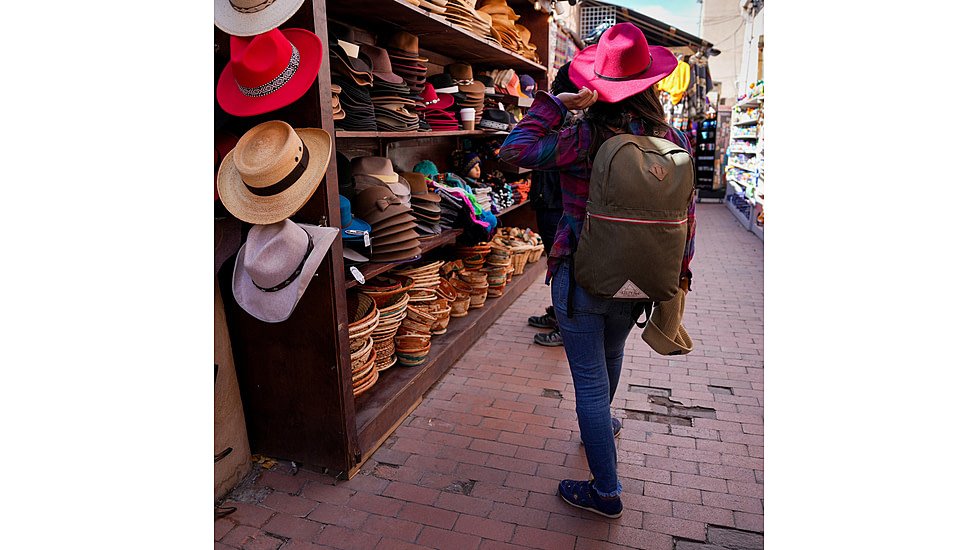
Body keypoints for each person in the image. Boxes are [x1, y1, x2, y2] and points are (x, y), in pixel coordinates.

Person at [499, 22, 695, 519]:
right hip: (642, 277)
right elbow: (685, 218)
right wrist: (679, 274)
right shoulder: (671, 140)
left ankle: (605, 491)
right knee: (611, 352)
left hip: (583, 272)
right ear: (649, 85)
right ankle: (603, 426)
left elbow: (513, 152)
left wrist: (556, 104)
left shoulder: (581, 136)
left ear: (597, 84)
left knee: (587, 383)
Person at [525, 62, 580, 347]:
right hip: (549, 198)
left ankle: (564, 322)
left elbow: (518, 148)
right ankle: (559, 313)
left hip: (557, 202)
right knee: (557, 261)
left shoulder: (572, 121)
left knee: (561, 265)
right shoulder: (568, 117)